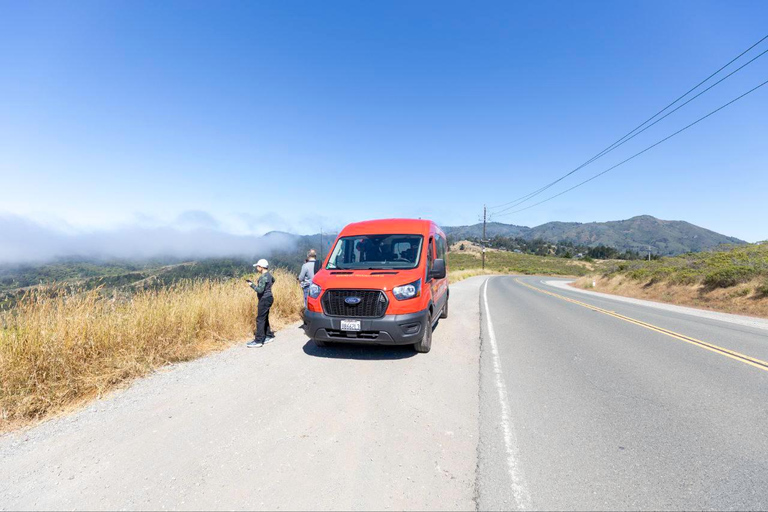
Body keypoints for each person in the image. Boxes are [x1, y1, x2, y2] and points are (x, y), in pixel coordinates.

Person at [246, 259, 276, 348]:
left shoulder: (263, 277)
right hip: (269, 297)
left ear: (262, 267)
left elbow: (259, 290)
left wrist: (251, 285)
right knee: (265, 317)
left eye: (258, 266)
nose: (257, 268)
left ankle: (258, 340)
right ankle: (268, 335)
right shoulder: (269, 275)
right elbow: (273, 280)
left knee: (260, 319)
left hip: (264, 299)